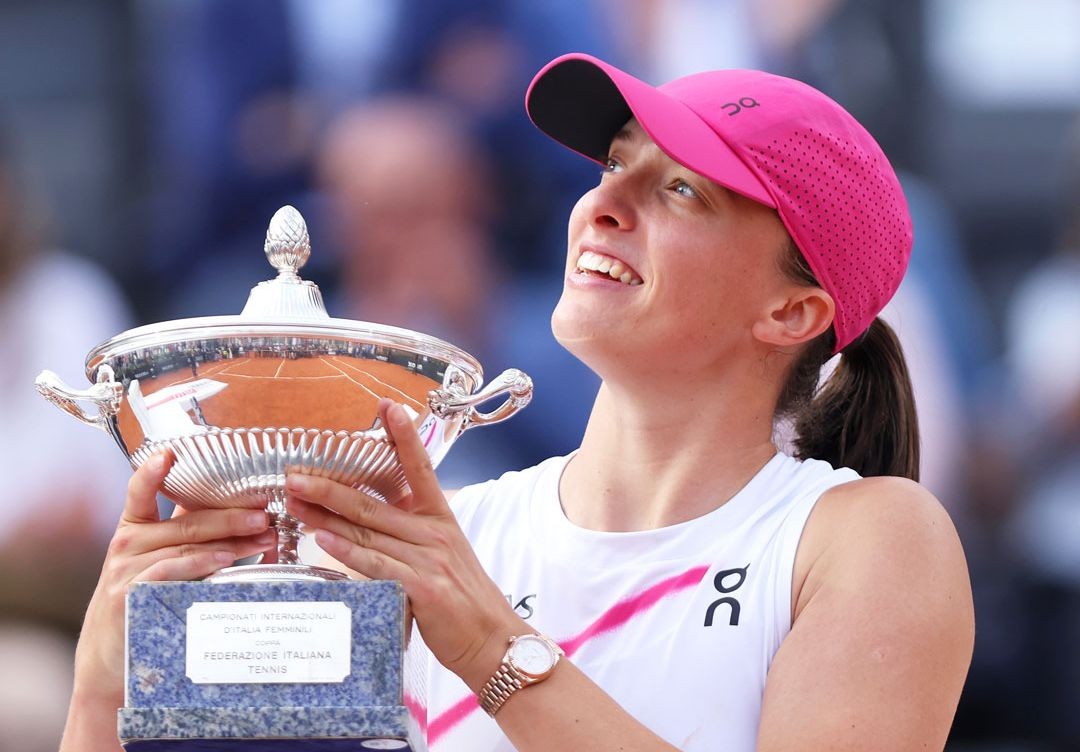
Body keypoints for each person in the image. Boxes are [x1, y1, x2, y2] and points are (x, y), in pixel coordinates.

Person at [59, 53, 974, 752]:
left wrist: (494, 652)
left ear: (791, 312)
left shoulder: (870, 538)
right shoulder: (444, 544)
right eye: (615, 164)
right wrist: (107, 684)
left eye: (681, 190)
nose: (604, 204)